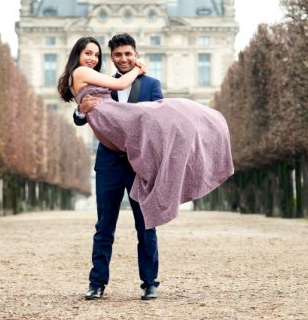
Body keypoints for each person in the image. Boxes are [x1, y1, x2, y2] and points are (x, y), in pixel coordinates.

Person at [57, 33, 234, 301]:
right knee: (104, 226)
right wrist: (81, 110)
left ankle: (149, 282)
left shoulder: (151, 84)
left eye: (128, 54)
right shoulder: (103, 83)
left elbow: (162, 124)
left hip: (141, 165)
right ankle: (97, 283)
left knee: (146, 224)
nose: (123, 59)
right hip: (109, 163)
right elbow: (82, 118)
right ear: (112, 57)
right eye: (118, 55)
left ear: (136, 55)